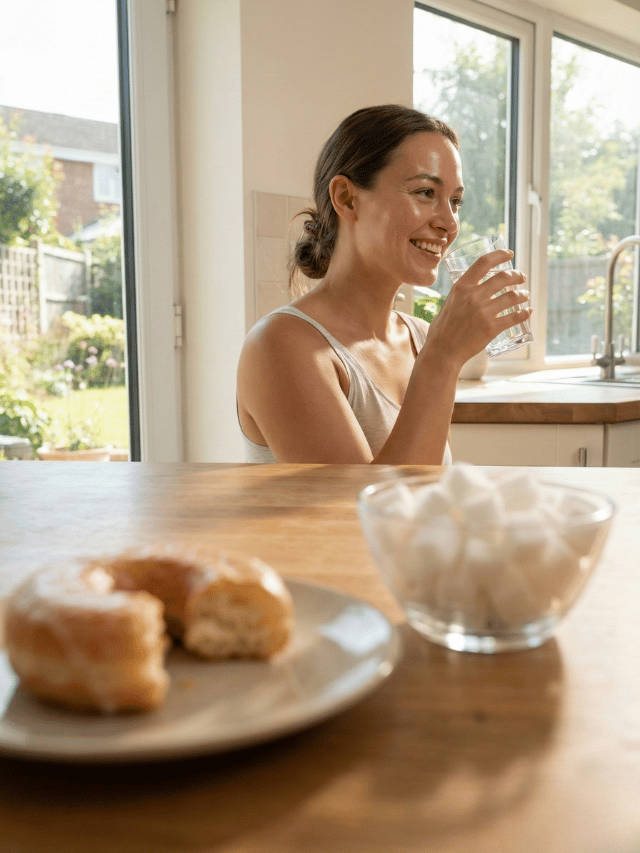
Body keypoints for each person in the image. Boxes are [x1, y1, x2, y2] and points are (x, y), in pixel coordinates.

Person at [237, 104, 531, 465]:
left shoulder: (419, 337)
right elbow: (355, 516)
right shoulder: (280, 346)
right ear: (346, 198)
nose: (450, 223)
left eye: (455, 201)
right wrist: (442, 358)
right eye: (425, 192)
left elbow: (428, 489)